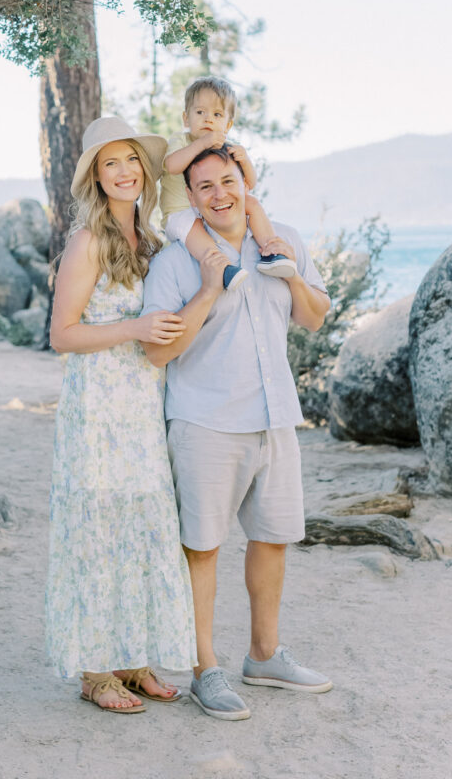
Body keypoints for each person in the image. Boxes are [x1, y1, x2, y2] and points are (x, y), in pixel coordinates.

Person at [142, 142, 333, 721]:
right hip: (206, 421)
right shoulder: (176, 261)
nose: (220, 193)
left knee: (272, 538)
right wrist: (208, 289)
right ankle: (205, 670)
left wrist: (292, 276)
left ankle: (265, 655)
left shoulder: (284, 240)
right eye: (205, 187)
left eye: (229, 180)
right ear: (192, 200)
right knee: (202, 548)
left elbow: (314, 315)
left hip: (275, 417)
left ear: (244, 182)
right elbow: (158, 353)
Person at [46, 116, 197, 714]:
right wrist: (133, 327)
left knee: (143, 528)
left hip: (143, 409)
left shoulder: (157, 242)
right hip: (96, 412)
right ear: (96, 178)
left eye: (132, 160)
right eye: (111, 164)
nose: (126, 171)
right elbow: (61, 334)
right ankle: (95, 671)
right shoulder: (87, 242)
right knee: (98, 531)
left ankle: (133, 661)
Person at [160, 75, 298, 292]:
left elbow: (249, 184)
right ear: (186, 119)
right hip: (180, 213)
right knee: (193, 226)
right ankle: (223, 269)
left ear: (228, 124)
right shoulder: (181, 140)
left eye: (217, 114)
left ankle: (272, 251)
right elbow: (171, 166)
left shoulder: (228, 148)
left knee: (251, 203)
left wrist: (245, 160)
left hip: (211, 210)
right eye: (200, 113)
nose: (208, 119)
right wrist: (202, 144)